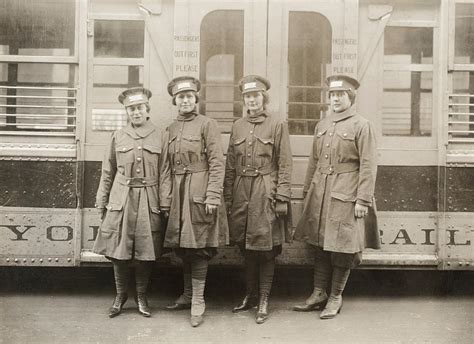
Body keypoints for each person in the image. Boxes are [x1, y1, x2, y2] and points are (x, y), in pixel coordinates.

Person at [292, 74, 380, 319]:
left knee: (342, 246)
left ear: (350, 97)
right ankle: (318, 292)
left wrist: (363, 199)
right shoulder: (323, 125)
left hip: (346, 192)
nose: (336, 99)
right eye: (332, 95)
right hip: (321, 191)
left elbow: (369, 165)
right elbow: (313, 161)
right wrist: (308, 191)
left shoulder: (362, 125)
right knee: (320, 243)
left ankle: (335, 296)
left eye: (341, 95)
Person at [160, 76, 229, 327]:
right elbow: (165, 168)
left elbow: (217, 162)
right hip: (178, 194)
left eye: (189, 96)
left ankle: (198, 300)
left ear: (196, 99)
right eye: (181, 97)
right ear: (175, 101)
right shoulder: (169, 129)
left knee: (198, 245)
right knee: (183, 245)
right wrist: (166, 200)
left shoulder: (207, 124)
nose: (185, 100)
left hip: (199, 191)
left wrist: (212, 195)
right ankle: (188, 295)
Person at [224, 75, 293, 324]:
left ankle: (264, 299)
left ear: (264, 98)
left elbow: (284, 162)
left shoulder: (277, 124)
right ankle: (250, 295)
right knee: (246, 246)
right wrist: (229, 197)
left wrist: (282, 196)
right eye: (247, 96)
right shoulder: (238, 125)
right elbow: (231, 164)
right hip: (242, 190)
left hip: (266, 190)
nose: (251, 100)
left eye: (255, 95)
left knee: (265, 249)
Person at [93, 87, 164, 318]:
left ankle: (141, 296)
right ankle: (120, 295)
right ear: (127, 112)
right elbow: (108, 171)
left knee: (146, 250)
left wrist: (166, 204)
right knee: (118, 250)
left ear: (147, 109)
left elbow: (166, 173)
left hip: (148, 197)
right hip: (121, 198)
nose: (135, 112)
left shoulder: (160, 135)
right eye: (131, 109)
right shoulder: (118, 135)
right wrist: (102, 202)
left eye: (139, 108)